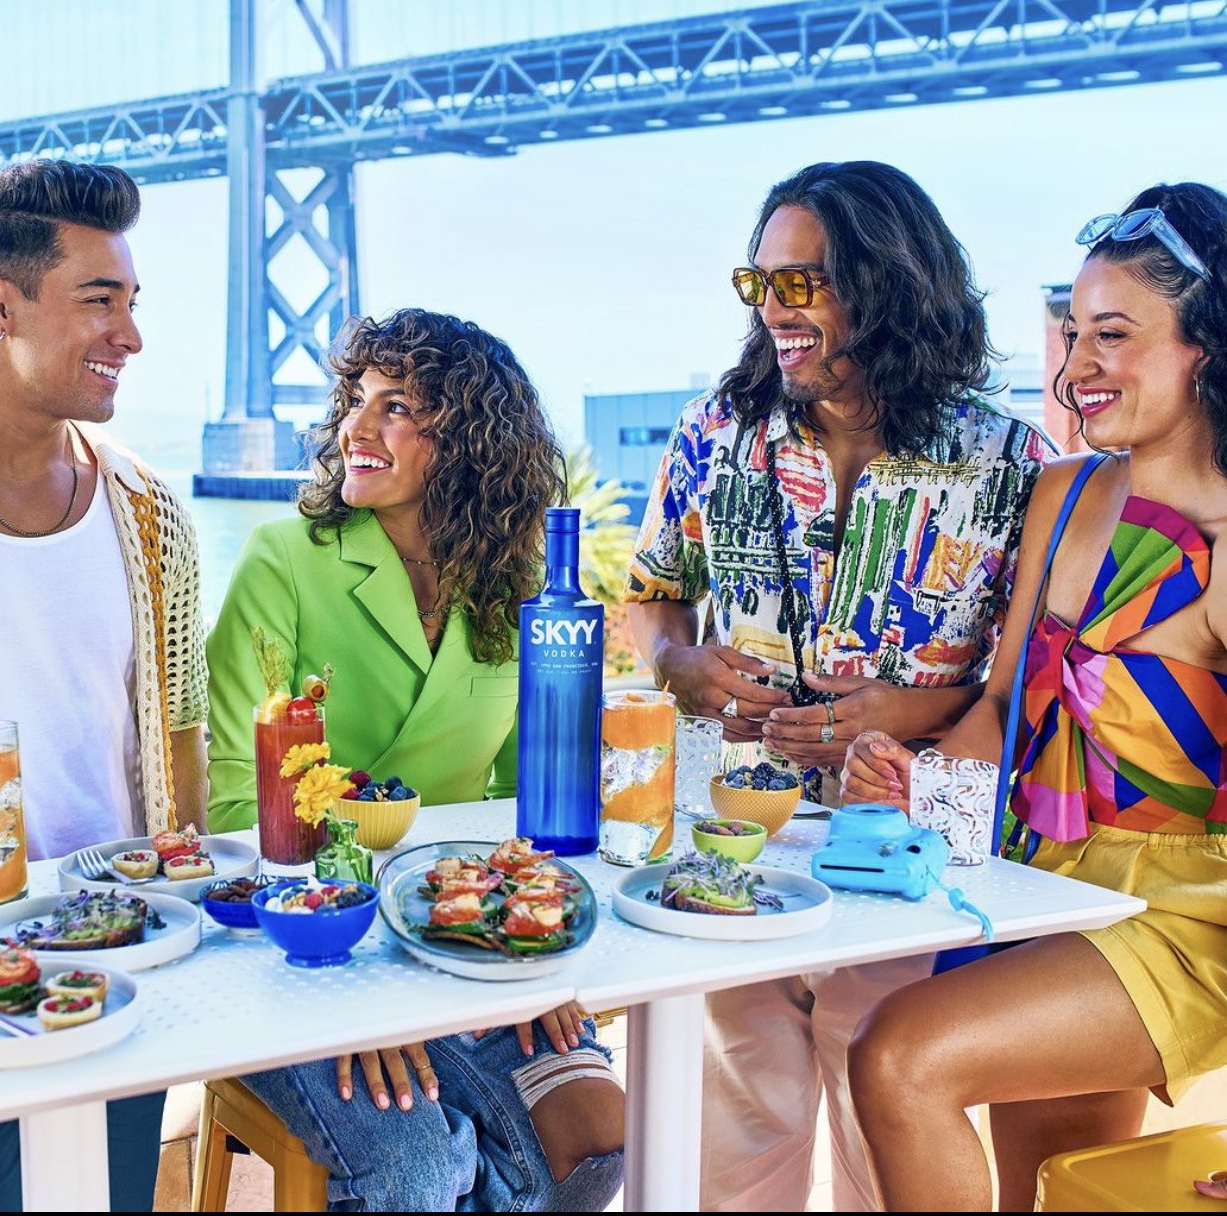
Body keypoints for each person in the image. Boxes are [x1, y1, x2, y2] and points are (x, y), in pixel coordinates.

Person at [624, 159, 1055, 1211]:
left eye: (802, 281)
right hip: (733, 834)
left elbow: (1036, 679)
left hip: (903, 843)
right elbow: (651, 598)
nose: (774, 309)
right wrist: (681, 665)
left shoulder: (1011, 462)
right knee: (733, 1143)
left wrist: (911, 712)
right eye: (760, 282)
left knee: (883, 1123)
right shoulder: (713, 433)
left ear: (889, 282)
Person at [844, 182, 1227, 1212]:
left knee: (899, 1056)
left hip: (1182, 919)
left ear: (1206, 348)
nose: (1079, 366)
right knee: (1046, 1194)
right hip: (1040, 880)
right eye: (1075, 334)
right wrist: (922, 782)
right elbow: (1004, 707)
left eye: (1115, 334)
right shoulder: (1062, 496)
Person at [205, 308, 625, 1212]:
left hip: (465, 936)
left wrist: (534, 951)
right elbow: (239, 807)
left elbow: (522, 807)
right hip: (312, 950)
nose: (354, 428)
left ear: (471, 442)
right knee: (418, 1172)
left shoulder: (518, 593)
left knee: (593, 1145)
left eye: (395, 407)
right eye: (355, 401)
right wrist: (361, 994)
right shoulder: (281, 562)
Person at [0, 159, 209, 1210]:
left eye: (133, 302)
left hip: (125, 963)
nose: (130, 335)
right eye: (100, 300)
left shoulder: (148, 507)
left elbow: (179, 733)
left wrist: (185, 918)